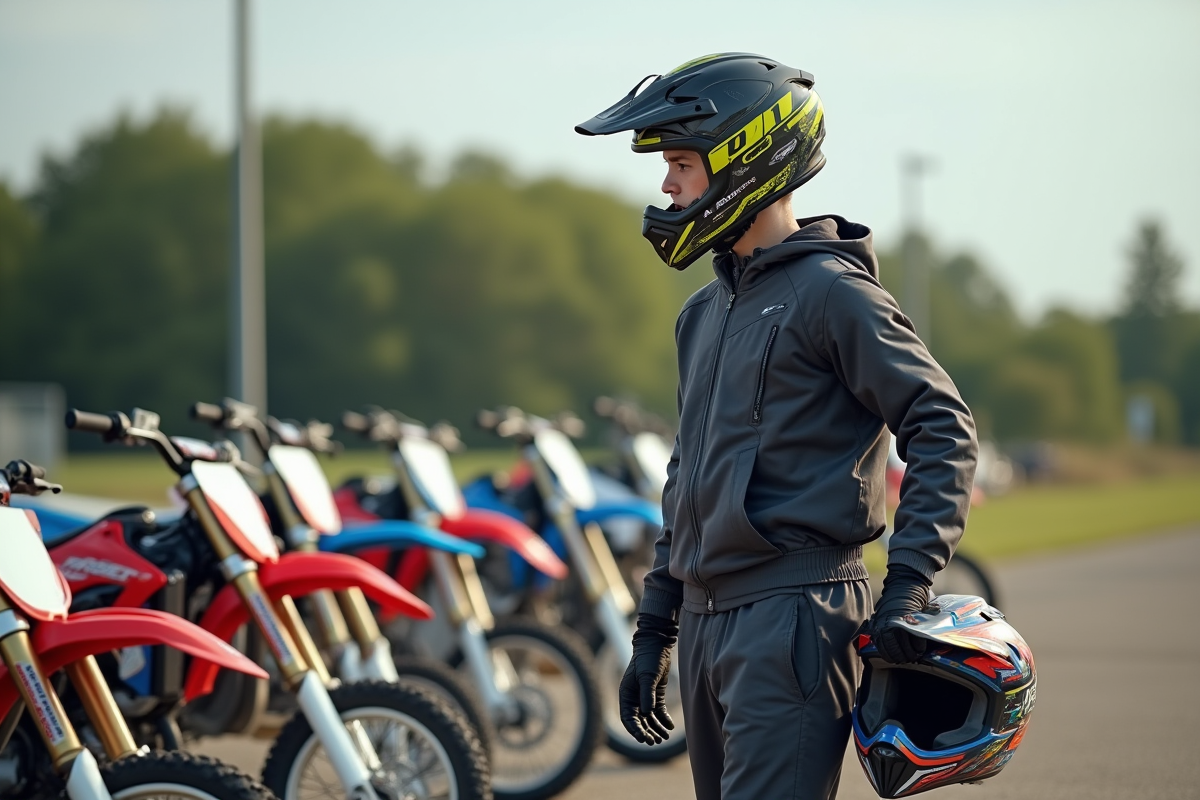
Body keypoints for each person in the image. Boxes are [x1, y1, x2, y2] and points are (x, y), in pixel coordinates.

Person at [576, 53, 978, 799]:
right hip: (703, 620)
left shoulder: (835, 295)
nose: (667, 186)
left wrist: (910, 584)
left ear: (746, 157)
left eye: (682, 164)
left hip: (794, 615)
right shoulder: (704, 312)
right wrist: (654, 627)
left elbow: (941, 423)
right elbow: (687, 475)